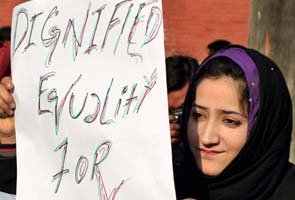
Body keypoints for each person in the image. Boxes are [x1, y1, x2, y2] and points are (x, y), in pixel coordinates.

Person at [175, 45, 295, 199]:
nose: (206, 138)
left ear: (263, 128)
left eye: (230, 121)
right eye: (198, 115)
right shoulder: (166, 187)